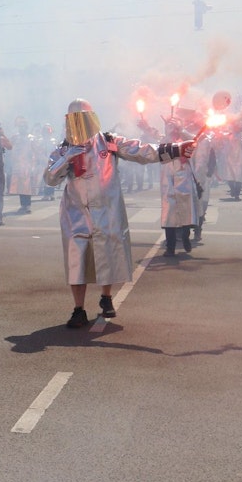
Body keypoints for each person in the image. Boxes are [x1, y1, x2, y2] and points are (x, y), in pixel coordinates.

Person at [43, 100, 195, 329]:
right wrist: (67, 158)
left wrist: (177, 148)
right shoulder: (63, 149)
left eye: (83, 117)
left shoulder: (109, 141)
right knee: (77, 260)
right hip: (76, 213)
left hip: (106, 209)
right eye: (74, 118)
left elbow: (143, 151)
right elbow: (50, 179)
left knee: (108, 253)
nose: (79, 123)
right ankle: (78, 309)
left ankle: (106, 297)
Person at [159, 119, 202, 257]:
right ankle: (170, 247)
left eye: (174, 126)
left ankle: (185, 237)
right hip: (168, 180)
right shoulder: (164, 141)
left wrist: (181, 131)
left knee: (186, 211)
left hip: (184, 178)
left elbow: (196, 142)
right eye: (169, 127)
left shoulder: (187, 139)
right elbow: (160, 155)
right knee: (169, 214)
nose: (172, 129)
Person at [8, 117, 41, 214]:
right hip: (18, 166)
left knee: (27, 186)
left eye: (23, 127)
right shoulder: (15, 137)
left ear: (26, 128)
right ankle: (23, 205)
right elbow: (8, 148)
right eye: (20, 127)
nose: (21, 128)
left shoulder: (31, 138)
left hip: (28, 165)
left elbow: (37, 151)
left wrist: (36, 163)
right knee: (20, 186)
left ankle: (28, 205)